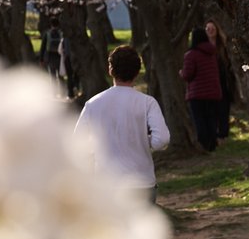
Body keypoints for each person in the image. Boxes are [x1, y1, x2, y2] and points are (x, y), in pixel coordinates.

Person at [74, 45, 170, 203]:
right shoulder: (147, 102)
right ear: (137, 71)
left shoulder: (93, 103)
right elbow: (162, 140)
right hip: (142, 183)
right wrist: (140, 138)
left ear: (110, 70)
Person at [180, 27, 222, 152]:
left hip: (197, 94)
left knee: (200, 120)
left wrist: (181, 73)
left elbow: (188, 74)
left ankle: (204, 144)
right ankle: (213, 144)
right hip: (213, 92)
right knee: (211, 119)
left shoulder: (191, 55)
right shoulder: (212, 53)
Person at [206, 19, 236, 141]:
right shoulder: (204, 47)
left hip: (223, 81)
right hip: (209, 82)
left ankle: (223, 133)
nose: (210, 31)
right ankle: (214, 133)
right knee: (211, 109)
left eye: (212, 29)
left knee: (223, 108)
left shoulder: (223, 46)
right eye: (208, 29)